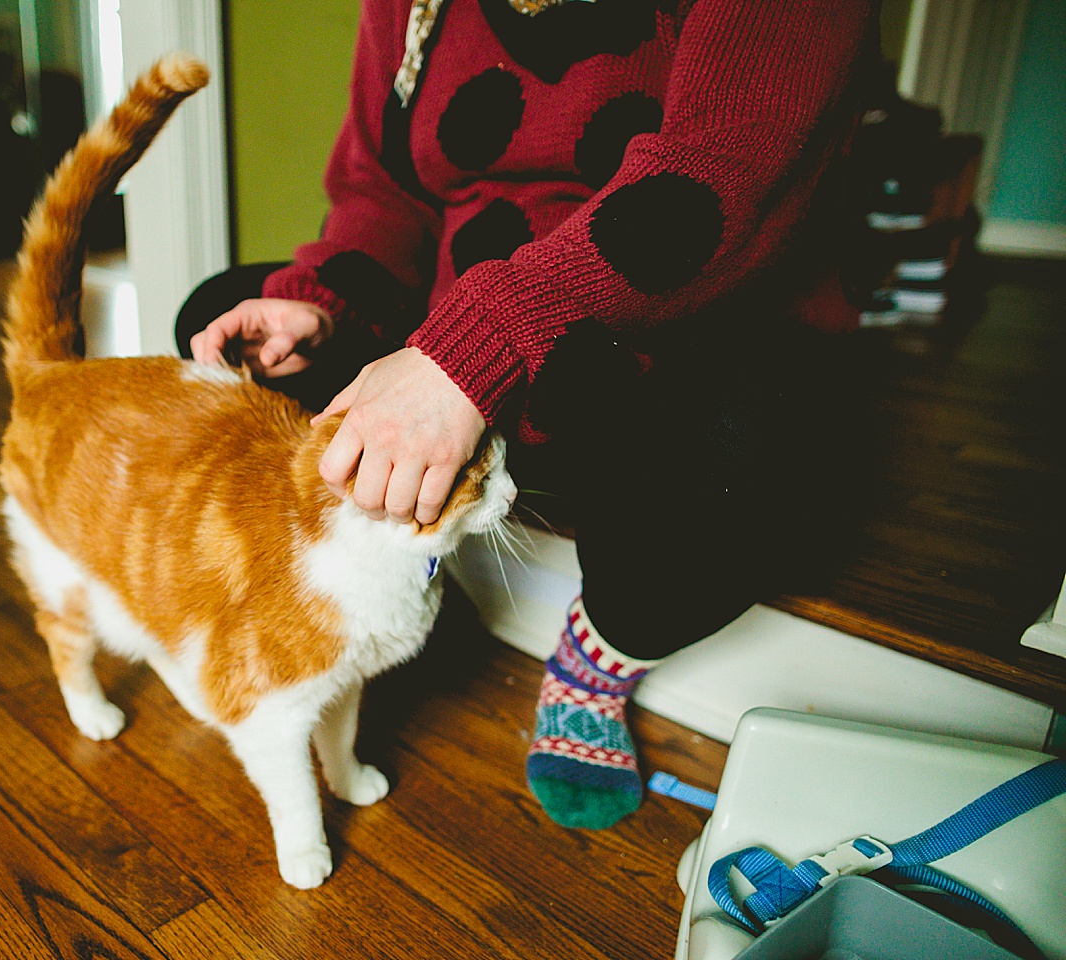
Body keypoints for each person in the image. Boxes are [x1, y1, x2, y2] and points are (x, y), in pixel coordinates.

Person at [178, 0, 878, 830]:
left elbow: (717, 180)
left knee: (762, 441)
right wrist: (322, 305)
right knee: (220, 319)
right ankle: (390, 578)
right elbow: (383, 194)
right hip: (460, 318)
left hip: (672, 327)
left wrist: (475, 352)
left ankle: (600, 655)